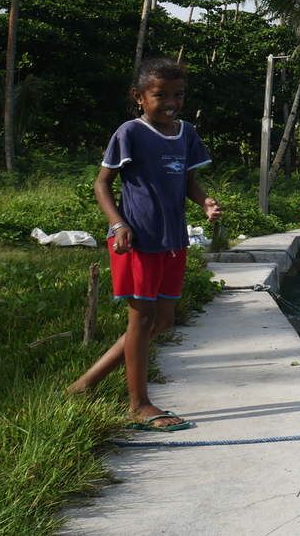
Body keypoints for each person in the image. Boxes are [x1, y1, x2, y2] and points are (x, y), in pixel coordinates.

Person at [68, 57, 221, 431]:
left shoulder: (186, 133)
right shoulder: (130, 133)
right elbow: (102, 183)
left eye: (178, 94)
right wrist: (118, 223)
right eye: (160, 95)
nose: (171, 102)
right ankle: (138, 404)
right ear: (138, 96)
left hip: (173, 240)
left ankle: (85, 383)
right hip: (138, 240)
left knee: (163, 320)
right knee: (142, 319)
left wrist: (204, 202)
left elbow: (187, 180)